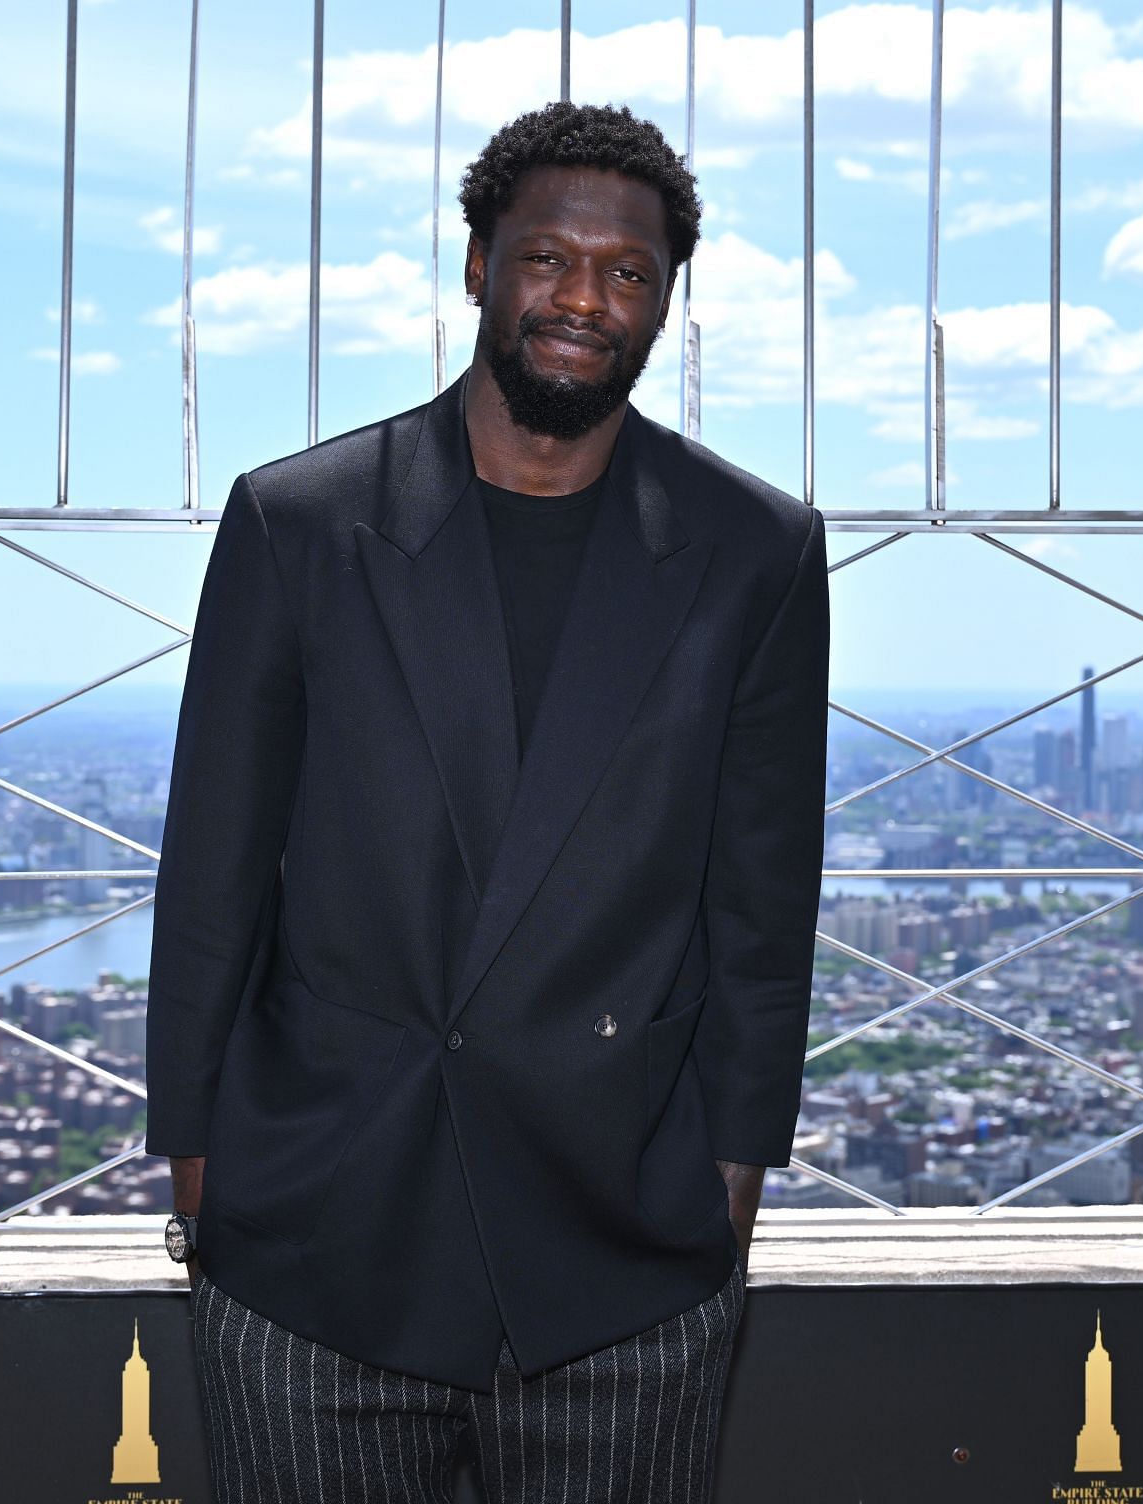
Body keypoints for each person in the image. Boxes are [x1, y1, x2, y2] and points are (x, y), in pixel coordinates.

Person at [146, 99, 829, 1502]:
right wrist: (201, 1166)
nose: (585, 297)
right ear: (477, 266)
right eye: (548, 259)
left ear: (665, 304)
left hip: (621, 1248)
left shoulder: (756, 549)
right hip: (317, 1235)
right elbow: (212, 869)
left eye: (628, 272)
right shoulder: (301, 522)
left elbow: (762, 900)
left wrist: (734, 1177)